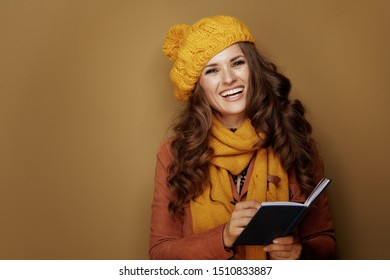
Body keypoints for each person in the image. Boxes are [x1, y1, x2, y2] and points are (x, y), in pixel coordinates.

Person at [149, 15, 336, 260]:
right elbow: (159, 255)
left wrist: (301, 253)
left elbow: (326, 244)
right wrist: (223, 237)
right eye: (212, 70)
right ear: (198, 85)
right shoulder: (174, 153)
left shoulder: (293, 140)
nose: (229, 79)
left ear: (253, 69)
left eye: (237, 63)